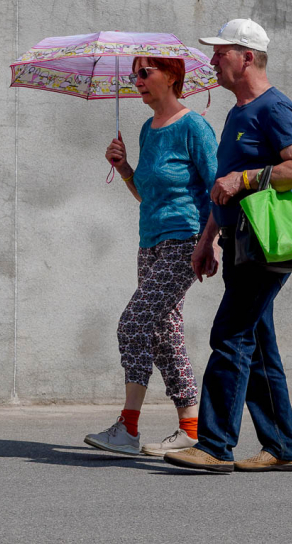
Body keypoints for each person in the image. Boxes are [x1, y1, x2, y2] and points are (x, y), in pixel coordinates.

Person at [163, 19, 292, 473]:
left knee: (229, 336)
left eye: (220, 52)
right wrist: (207, 239)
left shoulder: (275, 108)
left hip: (265, 244)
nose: (212, 60)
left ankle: (214, 445)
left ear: (247, 57)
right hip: (237, 243)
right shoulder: (237, 113)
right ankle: (281, 447)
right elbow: (222, 186)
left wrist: (246, 178)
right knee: (258, 345)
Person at [83, 56, 218, 457]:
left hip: (185, 241)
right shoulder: (147, 128)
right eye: (133, 75)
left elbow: (217, 189)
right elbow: (146, 193)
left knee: (134, 322)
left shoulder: (194, 127)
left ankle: (128, 427)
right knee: (164, 334)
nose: (136, 81)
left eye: (145, 73)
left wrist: (211, 242)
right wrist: (125, 167)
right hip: (150, 244)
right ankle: (190, 429)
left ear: (172, 75)